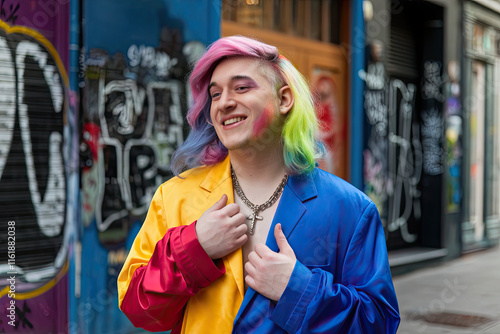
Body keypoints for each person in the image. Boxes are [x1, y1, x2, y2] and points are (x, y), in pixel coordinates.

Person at [117, 35, 400, 333]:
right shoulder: (174, 197)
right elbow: (140, 311)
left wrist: (299, 291)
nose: (224, 103)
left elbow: (378, 323)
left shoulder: (350, 209)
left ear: (284, 99)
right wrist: (193, 250)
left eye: (241, 88)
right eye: (215, 94)